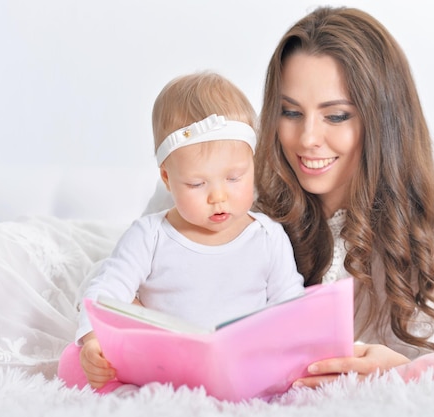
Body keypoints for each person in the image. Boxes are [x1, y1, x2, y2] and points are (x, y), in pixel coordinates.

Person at [253, 6, 434, 388]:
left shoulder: (408, 236)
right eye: (290, 112)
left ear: (383, 121)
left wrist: (401, 369)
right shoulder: (237, 200)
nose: (307, 139)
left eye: (336, 116)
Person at [57, 72, 304, 393]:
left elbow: (290, 305)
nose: (218, 196)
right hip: (163, 364)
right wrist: (93, 340)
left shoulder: (267, 237)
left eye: (234, 177)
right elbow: (107, 290)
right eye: (197, 184)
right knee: (72, 362)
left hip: (240, 362)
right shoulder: (150, 235)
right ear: (167, 178)